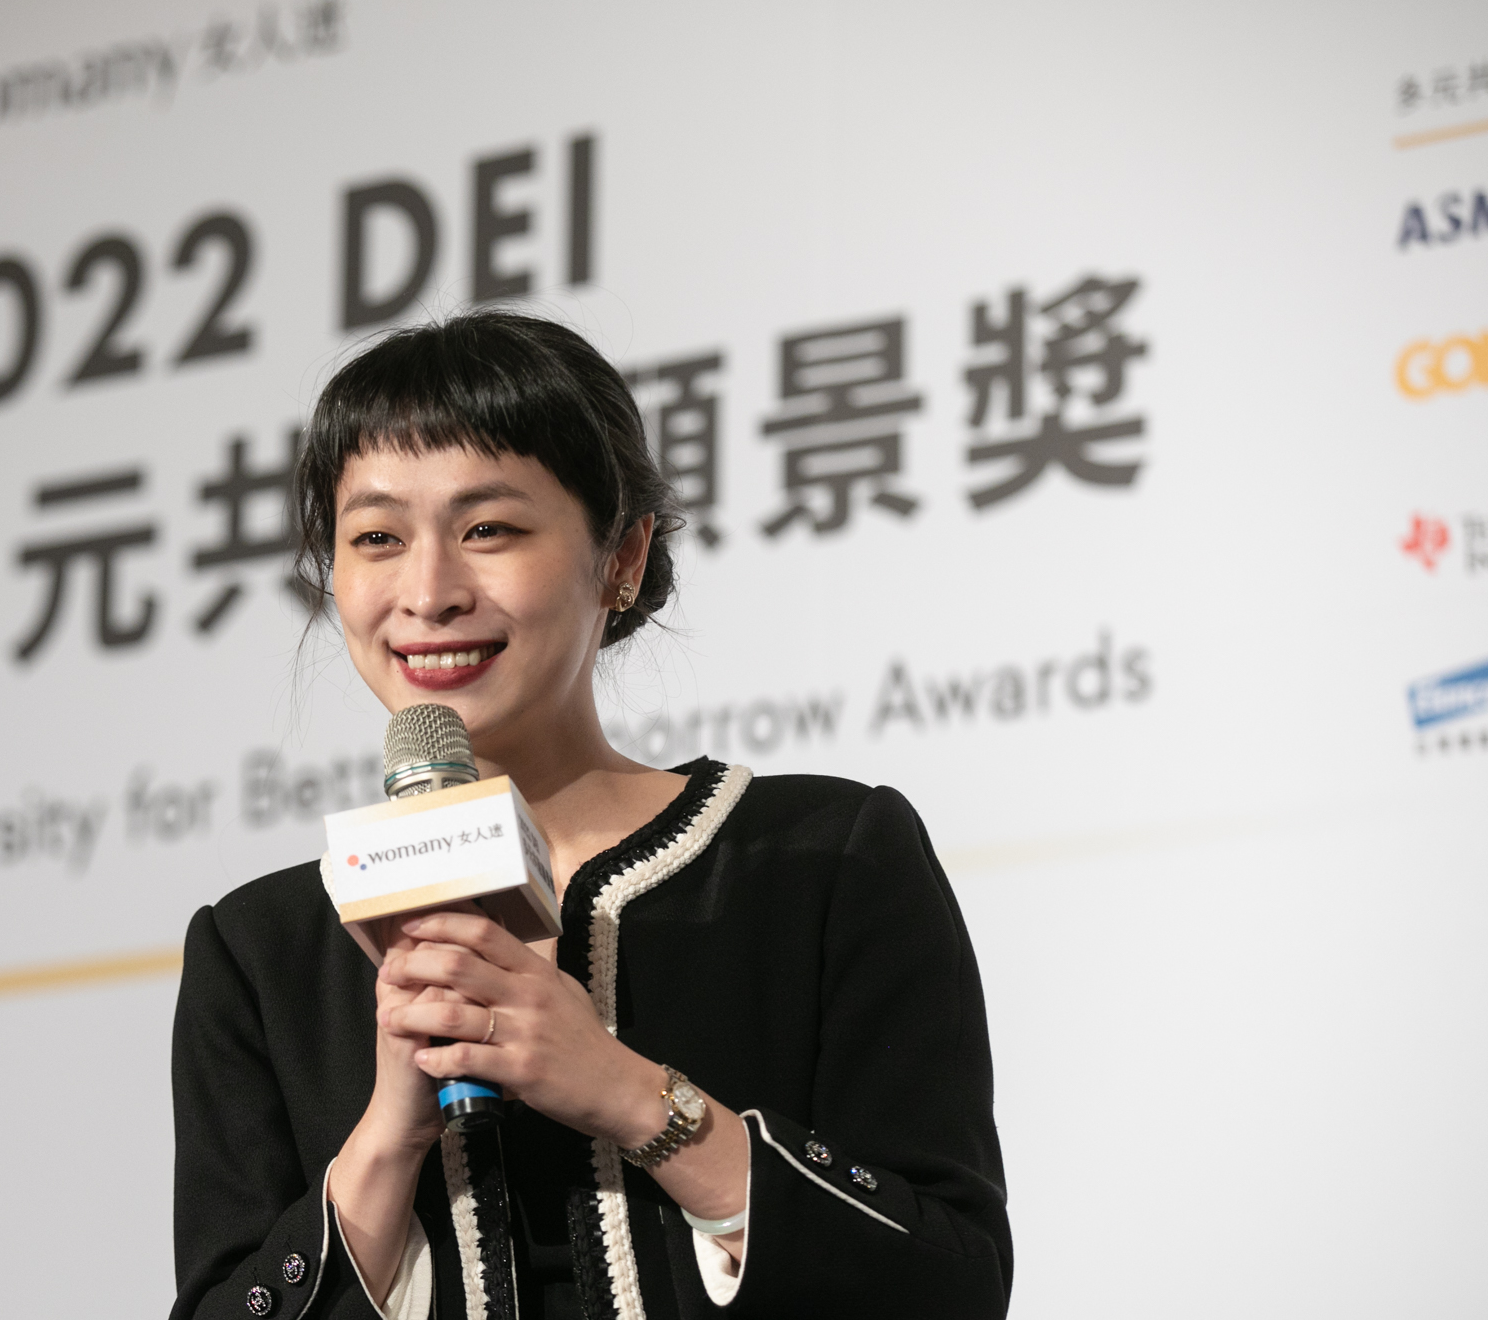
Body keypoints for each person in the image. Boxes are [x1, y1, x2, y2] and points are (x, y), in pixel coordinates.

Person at [169, 311, 1011, 1320]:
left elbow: (952, 1281)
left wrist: (623, 1091)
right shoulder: (261, 954)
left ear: (623, 554)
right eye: (376, 538)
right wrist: (388, 1136)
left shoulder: (826, 860)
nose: (428, 592)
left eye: (488, 529)